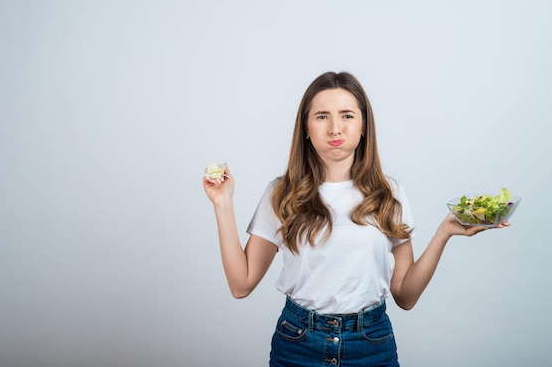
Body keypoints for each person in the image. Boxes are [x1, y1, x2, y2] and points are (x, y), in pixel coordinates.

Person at [202, 71, 508, 367]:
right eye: (322, 116)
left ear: (363, 126)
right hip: (298, 344)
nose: (335, 128)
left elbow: (405, 296)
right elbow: (241, 285)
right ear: (306, 127)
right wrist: (223, 204)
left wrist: (445, 232)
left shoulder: (389, 193)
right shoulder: (281, 194)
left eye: (347, 115)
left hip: (371, 344)